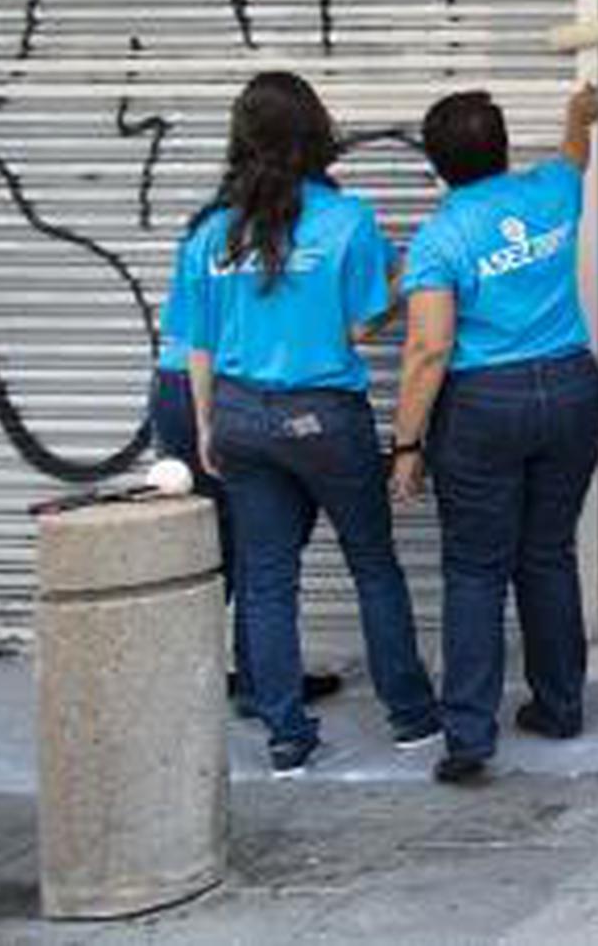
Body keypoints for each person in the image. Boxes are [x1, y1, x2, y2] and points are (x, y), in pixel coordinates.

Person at [180, 71, 438, 776]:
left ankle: (287, 739)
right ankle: (413, 720)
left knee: (266, 580)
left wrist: (207, 425)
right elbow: (361, 325)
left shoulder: (210, 233)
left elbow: (197, 343)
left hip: (238, 414)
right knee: (373, 565)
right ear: (316, 134)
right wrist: (399, 281)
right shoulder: (346, 219)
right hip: (324, 418)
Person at [387, 84, 598, 785]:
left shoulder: (440, 237)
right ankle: (561, 704)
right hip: (571, 387)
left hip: (485, 405)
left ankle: (470, 736)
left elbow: (428, 349)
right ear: (504, 147)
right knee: (546, 551)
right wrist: (579, 112)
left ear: (437, 166)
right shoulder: (550, 192)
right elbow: (576, 155)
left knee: (476, 568)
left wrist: (407, 445)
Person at [152, 222, 344, 715]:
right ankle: (262, 682)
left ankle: (173, 679)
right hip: (230, 386)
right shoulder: (307, 220)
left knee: (210, 545)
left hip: (175, 383)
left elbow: (188, 323)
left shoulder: (208, 228)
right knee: (266, 546)